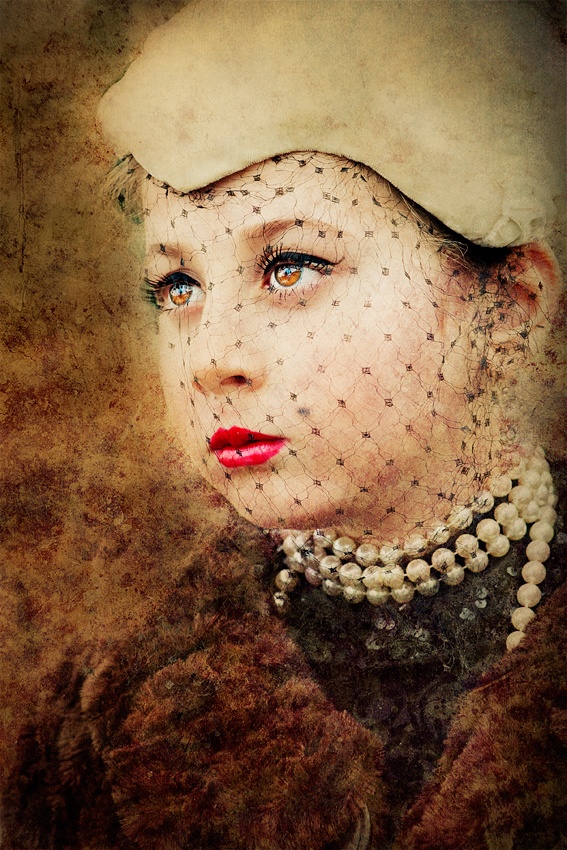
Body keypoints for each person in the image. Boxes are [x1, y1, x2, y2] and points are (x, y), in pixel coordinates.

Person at [2, 2, 565, 848]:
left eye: (292, 266)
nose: (210, 358)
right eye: (178, 287)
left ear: (509, 308)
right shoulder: (100, 710)